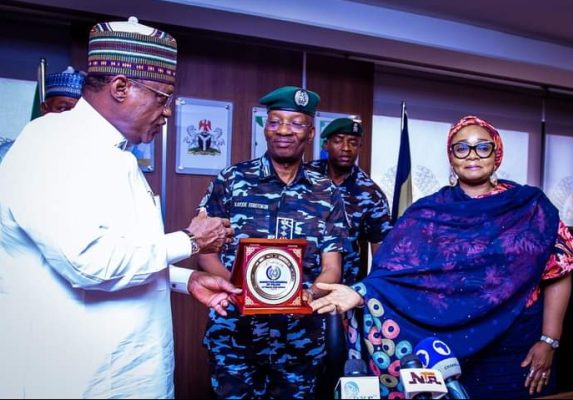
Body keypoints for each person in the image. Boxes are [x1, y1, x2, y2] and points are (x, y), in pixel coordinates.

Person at [0, 16, 240, 399]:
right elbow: (88, 263)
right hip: (75, 377)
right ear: (121, 87)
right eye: (162, 98)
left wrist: (182, 279)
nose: (168, 112)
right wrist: (191, 241)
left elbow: (122, 248)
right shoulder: (51, 145)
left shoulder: (119, 154)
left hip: (125, 374)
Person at [310, 115, 573, 399]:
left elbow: (558, 272)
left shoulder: (531, 208)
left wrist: (549, 340)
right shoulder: (426, 212)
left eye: (482, 147)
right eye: (461, 148)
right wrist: (360, 293)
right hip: (447, 349)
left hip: (516, 347)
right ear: (451, 157)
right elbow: (393, 275)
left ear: (496, 152)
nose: (472, 155)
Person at [196, 85, 348, 399]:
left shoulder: (326, 191)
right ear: (265, 129)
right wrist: (242, 290)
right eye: (276, 121)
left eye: (295, 124)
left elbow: (332, 267)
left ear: (310, 132)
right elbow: (205, 254)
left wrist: (308, 293)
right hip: (235, 334)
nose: (284, 131)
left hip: (300, 340)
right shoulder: (231, 180)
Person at [306, 117, 393, 396]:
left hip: (342, 297)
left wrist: (366, 295)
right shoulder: (305, 178)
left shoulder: (370, 193)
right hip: (300, 287)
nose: (346, 148)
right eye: (339, 140)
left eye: (353, 142)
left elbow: (382, 256)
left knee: (337, 366)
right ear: (326, 144)